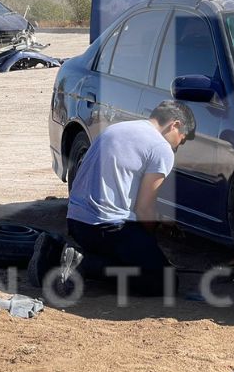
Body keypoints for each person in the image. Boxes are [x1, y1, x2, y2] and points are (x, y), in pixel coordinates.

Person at [29, 100, 196, 297]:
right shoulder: (161, 148)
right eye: (182, 139)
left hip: (77, 222)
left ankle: (56, 252)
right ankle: (84, 263)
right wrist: (152, 240)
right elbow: (144, 210)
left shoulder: (116, 129)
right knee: (165, 282)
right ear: (174, 125)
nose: (178, 145)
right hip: (109, 227)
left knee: (127, 255)